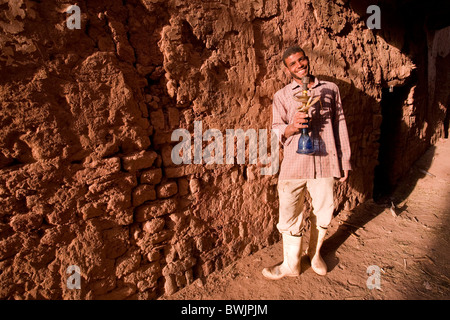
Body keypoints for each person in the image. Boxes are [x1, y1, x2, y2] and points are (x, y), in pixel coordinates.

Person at [262, 45, 352, 280]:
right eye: (293, 63)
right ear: (287, 69)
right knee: (289, 213)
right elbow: (274, 130)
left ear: (307, 59)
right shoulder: (281, 96)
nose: (299, 65)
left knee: (323, 211)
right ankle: (291, 265)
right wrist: (292, 127)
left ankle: (314, 255)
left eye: (301, 60)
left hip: (325, 162)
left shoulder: (330, 89)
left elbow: (339, 125)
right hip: (294, 164)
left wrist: (345, 160)